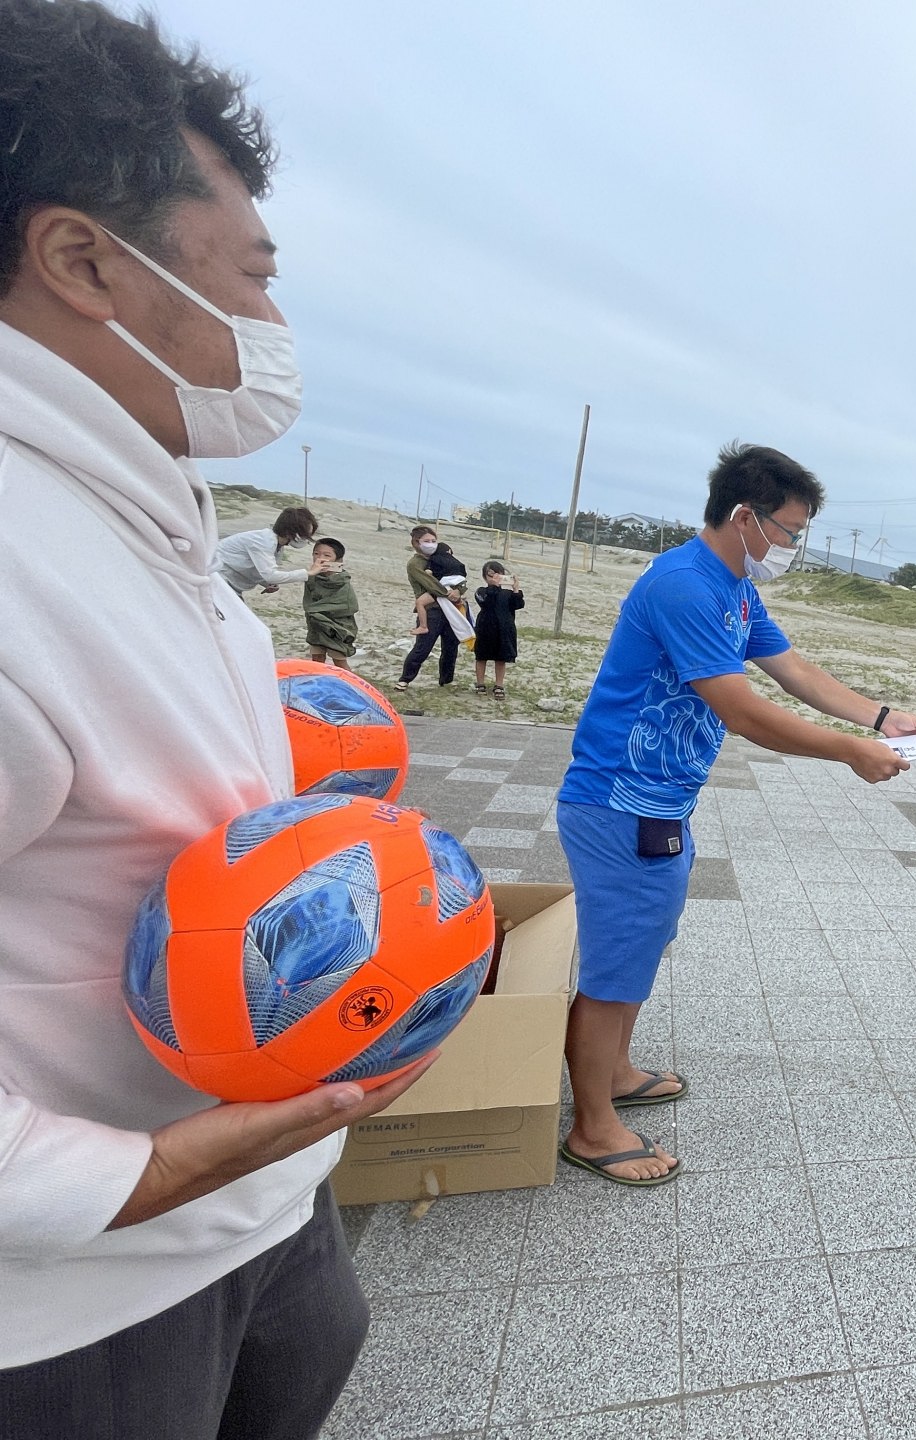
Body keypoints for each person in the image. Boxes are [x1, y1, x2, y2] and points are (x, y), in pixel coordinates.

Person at [0, 5, 433, 1430]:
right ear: (84, 263)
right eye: (253, 275)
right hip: (77, 1309)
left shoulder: (145, 511)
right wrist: (127, 1178)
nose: (273, 328)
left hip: (259, 1214)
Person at [555, 443, 916, 1186]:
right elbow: (743, 711)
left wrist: (881, 716)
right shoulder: (685, 587)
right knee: (614, 964)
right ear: (744, 516)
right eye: (790, 531)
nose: (793, 546)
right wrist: (849, 752)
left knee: (642, 942)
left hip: (659, 802)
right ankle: (593, 1129)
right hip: (620, 802)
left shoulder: (733, 586)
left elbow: (794, 670)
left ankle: (616, 1071)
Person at [395, 524, 463, 689]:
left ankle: (446, 680)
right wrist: (447, 593)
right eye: (427, 541)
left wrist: (459, 591)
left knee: (451, 646)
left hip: (451, 609)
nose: (431, 544)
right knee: (423, 647)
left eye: (434, 540)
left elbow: (458, 577)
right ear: (416, 542)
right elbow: (430, 584)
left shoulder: (442, 558)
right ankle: (405, 679)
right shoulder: (415, 564)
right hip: (431, 610)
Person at [214, 503, 316, 595]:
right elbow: (271, 575)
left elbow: (257, 569)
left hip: (227, 583)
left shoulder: (276, 545)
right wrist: (307, 573)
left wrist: (267, 583)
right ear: (290, 532)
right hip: (217, 578)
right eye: (304, 535)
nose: (305, 540)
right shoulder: (262, 542)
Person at [302, 536, 358, 666]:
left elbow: (349, 606)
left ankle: (348, 681)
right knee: (317, 660)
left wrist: (315, 611)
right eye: (316, 554)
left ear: (338, 560)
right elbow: (308, 601)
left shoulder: (342, 581)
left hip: (336, 629)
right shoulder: (312, 578)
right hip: (316, 627)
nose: (320, 558)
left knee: (340, 663)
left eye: (327, 555)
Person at [472, 560, 524, 696]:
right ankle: (480, 683)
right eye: (490, 575)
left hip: (504, 628)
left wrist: (516, 589)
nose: (495, 578)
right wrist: (493, 587)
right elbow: (485, 602)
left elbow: (518, 604)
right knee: (481, 656)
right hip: (485, 628)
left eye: (498, 574)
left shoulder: (507, 593)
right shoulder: (482, 591)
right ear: (484, 577)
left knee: (501, 658)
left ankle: (499, 685)